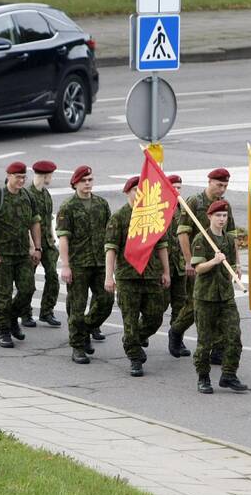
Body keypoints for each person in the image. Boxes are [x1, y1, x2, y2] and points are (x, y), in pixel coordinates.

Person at [104, 176, 170, 377]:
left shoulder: (152, 214)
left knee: (155, 317)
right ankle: (134, 358)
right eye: (135, 190)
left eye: (142, 191)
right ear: (127, 193)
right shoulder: (119, 217)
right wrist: (109, 276)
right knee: (130, 320)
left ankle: (131, 339)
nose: (139, 194)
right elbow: (111, 248)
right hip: (127, 277)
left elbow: (161, 246)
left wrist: (166, 271)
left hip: (150, 275)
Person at [169, 168, 237, 360]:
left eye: (225, 185)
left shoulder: (225, 206)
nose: (222, 189)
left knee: (219, 304)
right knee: (195, 305)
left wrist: (236, 265)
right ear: (209, 182)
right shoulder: (194, 202)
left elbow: (231, 236)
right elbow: (182, 232)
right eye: (219, 185)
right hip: (198, 261)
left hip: (219, 264)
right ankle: (176, 331)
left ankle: (217, 348)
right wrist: (189, 261)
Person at [0, 161, 42, 348]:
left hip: (22, 254)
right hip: (2, 256)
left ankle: (13, 317)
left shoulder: (28, 197)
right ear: (8, 176)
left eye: (24, 177)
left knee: (28, 290)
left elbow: (34, 223)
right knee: (4, 295)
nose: (21, 181)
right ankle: (4, 330)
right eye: (18, 177)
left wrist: (37, 248)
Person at [57, 165, 114, 364]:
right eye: (84, 180)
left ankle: (87, 329)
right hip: (78, 263)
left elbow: (110, 235)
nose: (88, 183)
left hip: (99, 263)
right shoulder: (68, 206)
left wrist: (111, 264)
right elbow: (63, 238)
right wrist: (65, 265)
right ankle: (78, 346)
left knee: (106, 301)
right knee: (77, 307)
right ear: (75, 183)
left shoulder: (101, 204)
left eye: (90, 180)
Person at [191, 199, 246, 394]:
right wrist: (214, 261)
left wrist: (236, 267)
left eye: (224, 216)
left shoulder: (229, 240)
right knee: (205, 341)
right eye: (218, 216)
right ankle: (203, 377)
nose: (222, 219)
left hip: (226, 296)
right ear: (210, 217)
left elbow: (232, 259)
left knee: (234, 337)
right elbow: (198, 268)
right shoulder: (201, 239)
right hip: (206, 297)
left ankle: (229, 374)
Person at [23, 160, 61, 328]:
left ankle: (46, 311)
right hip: (31, 244)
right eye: (50, 175)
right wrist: (32, 247)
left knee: (53, 276)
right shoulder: (27, 194)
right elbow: (25, 224)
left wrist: (52, 239)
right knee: (27, 281)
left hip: (47, 242)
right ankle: (25, 313)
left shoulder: (46, 194)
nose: (51, 178)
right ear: (45, 175)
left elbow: (48, 218)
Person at [162, 174, 191, 358]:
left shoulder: (185, 210)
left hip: (180, 266)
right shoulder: (158, 210)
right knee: (158, 306)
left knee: (180, 306)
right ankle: (141, 332)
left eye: (180, 187)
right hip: (161, 267)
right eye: (174, 187)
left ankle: (176, 339)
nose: (177, 191)